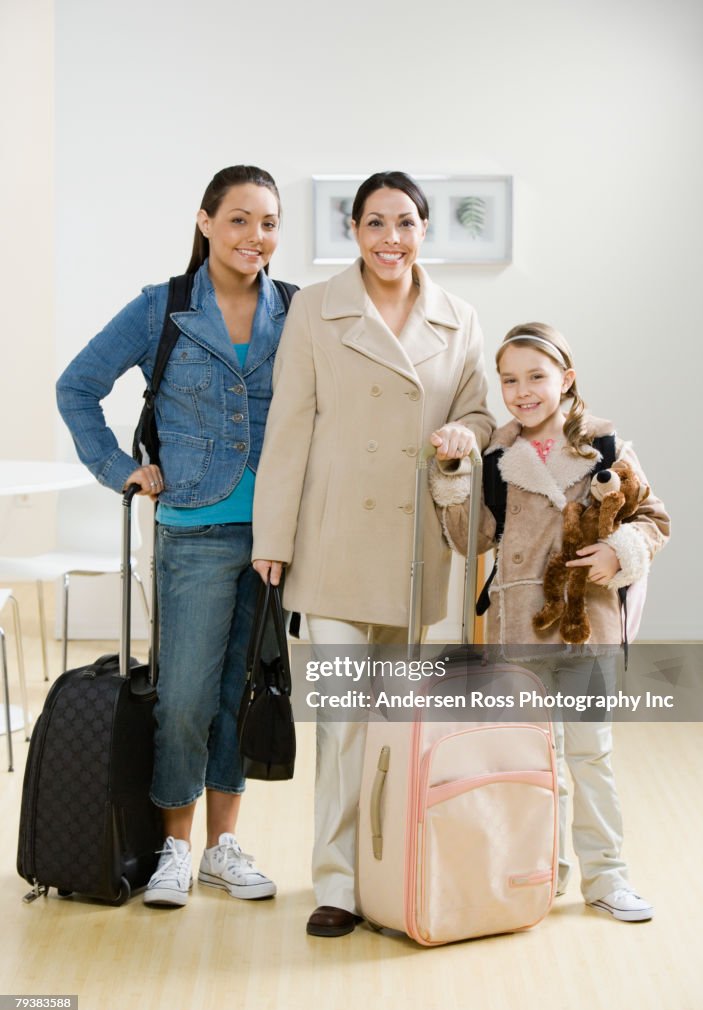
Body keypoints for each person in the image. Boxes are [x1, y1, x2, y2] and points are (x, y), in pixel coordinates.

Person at [252, 171, 494, 936]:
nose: (391, 239)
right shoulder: (316, 311)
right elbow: (288, 424)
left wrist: (466, 436)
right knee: (346, 722)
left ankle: (392, 874)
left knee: (400, 723)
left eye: (406, 224)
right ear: (354, 230)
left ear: (424, 231)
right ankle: (336, 883)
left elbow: (482, 409)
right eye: (376, 223)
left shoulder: (459, 319)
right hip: (332, 544)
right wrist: (273, 538)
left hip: (415, 548)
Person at [56, 165, 295, 908]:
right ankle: (173, 850)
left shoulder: (295, 310)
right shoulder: (162, 309)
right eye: (238, 220)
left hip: (277, 535)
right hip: (192, 526)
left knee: (240, 693)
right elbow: (76, 386)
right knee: (185, 695)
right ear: (204, 222)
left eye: (267, 224)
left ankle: (223, 848)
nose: (254, 237)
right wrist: (119, 469)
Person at [430, 322, 670, 922]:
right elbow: (470, 539)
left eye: (536, 376)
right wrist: (454, 474)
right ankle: (537, 871)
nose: (522, 391)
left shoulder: (606, 449)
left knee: (590, 754)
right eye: (509, 379)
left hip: (587, 625)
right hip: (517, 631)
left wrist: (623, 550)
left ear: (566, 378)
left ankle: (607, 876)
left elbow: (652, 519)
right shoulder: (495, 459)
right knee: (532, 760)